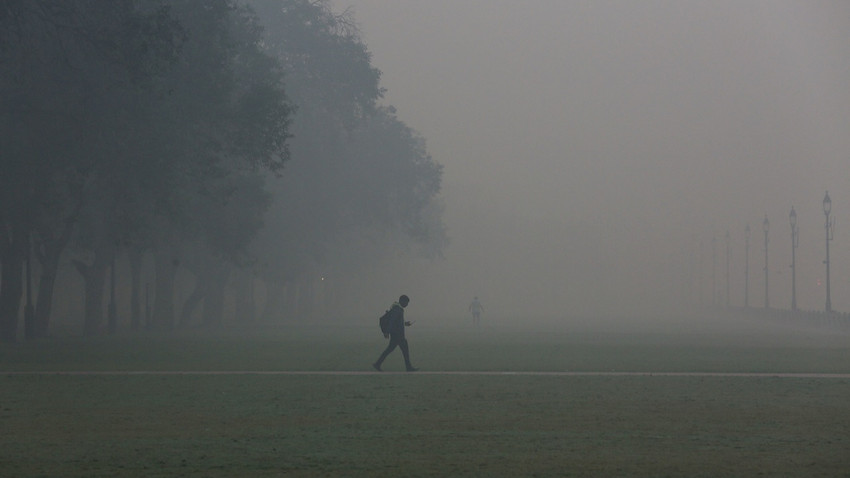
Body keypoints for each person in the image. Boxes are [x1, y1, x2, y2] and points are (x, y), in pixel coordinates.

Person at [372, 295, 417, 372]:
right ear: (402, 301)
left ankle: (377, 364)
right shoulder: (397, 309)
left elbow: (397, 322)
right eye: (406, 302)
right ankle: (408, 367)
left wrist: (405, 323)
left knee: (390, 350)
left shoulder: (397, 308)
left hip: (396, 334)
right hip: (398, 334)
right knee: (404, 349)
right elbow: (391, 321)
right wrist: (387, 332)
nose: (407, 304)